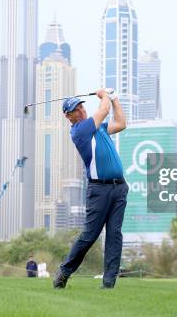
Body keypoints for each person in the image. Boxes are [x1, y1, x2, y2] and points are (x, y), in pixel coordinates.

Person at [53, 88, 128, 289]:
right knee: (90, 235)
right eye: (75, 109)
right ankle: (64, 271)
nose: (81, 110)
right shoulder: (79, 131)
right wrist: (104, 96)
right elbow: (103, 111)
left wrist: (115, 100)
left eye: (81, 107)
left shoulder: (99, 128)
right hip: (99, 190)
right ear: (68, 116)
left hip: (119, 188)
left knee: (115, 235)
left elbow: (121, 123)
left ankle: (109, 283)